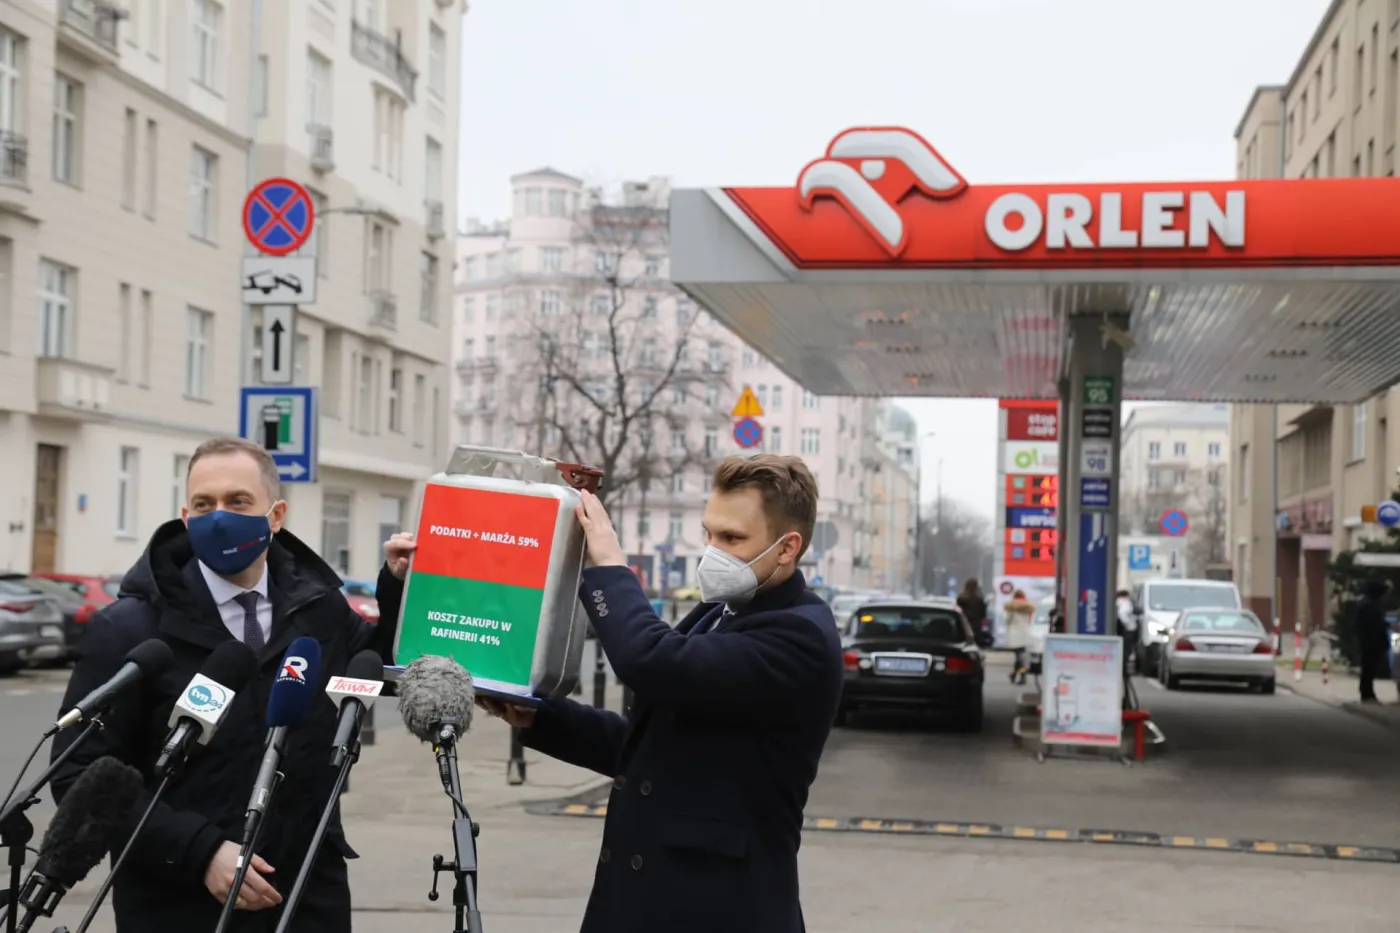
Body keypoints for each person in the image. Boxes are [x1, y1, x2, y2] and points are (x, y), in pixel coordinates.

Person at [50, 437, 415, 933]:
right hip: (177, 902)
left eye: (238, 501)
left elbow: (379, 669)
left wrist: (399, 584)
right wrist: (199, 852)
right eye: (204, 504)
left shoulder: (319, 610)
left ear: (276, 515)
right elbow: (80, 775)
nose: (219, 517)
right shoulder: (131, 629)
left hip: (304, 893)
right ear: (185, 517)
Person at [476, 454, 843, 933]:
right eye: (709, 533)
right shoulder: (723, 612)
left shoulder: (800, 635)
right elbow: (655, 748)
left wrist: (608, 566)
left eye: (732, 538)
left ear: (788, 546)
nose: (713, 551)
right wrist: (540, 716)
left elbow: (649, 661)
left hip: (720, 910)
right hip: (642, 904)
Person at [1355, 578, 1391, 703]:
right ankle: (1367, 693)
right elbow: (1373, 624)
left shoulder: (1366, 603)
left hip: (1369, 642)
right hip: (1371, 642)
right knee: (1369, 669)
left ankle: (1367, 692)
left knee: (1369, 668)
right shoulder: (1369, 605)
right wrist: (1384, 625)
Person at [1003, 589, 1035, 685]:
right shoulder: (1028, 607)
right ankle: (1019, 675)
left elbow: (1008, 620)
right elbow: (1030, 620)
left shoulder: (1011, 607)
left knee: (1019, 657)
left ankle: (1019, 676)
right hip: (1024, 632)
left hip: (1014, 633)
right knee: (1021, 656)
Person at [957, 579, 989, 648]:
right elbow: (983, 614)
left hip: (964, 624)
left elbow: (958, 611)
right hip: (976, 624)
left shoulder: (961, 598)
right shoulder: (979, 599)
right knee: (975, 643)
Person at [1115, 589, 1138, 674]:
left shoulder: (1117, 602)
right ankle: (1123, 668)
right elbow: (1123, 614)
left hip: (1122, 631)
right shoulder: (1125, 603)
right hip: (1128, 630)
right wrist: (1128, 625)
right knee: (1126, 651)